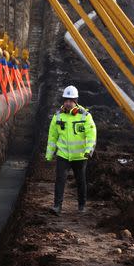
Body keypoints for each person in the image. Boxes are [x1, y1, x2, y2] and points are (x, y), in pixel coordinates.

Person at [45, 85, 97, 215]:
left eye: (70, 100)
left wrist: (89, 150)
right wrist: (49, 154)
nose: (68, 103)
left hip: (80, 155)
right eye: (66, 100)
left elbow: (91, 134)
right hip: (63, 154)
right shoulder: (58, 117)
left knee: (81, 180)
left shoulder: (85, 116)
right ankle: (57, 206)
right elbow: (52, 137)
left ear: (76, 101)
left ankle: (81, 205)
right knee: (60, 179)